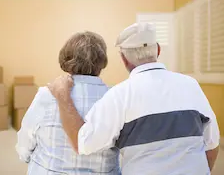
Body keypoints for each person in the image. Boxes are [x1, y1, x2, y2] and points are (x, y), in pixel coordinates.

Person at [48, 23, 220, 175]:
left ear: (123, 59)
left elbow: (82, 143)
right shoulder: (190, 85)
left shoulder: (119, 95)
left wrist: (63, 96)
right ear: (158, 50)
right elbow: (212, 144)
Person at [16, 31, 121, 174]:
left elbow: (26, 141)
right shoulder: (116, 98)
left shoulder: (47, 94)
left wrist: (27, 158)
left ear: (67, 59)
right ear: (102, 61)